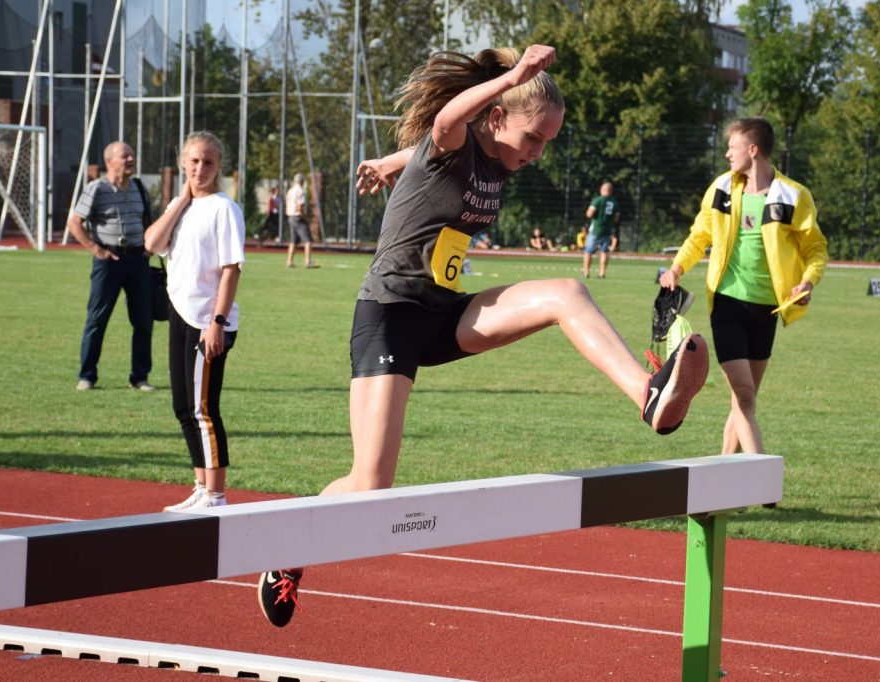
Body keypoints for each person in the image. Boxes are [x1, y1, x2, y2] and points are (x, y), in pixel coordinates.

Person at [255, 44, 709, 628]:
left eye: (547, 142)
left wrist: (394, 162)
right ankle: (287, 549)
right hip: (389, 316)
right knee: (370, 484)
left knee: (567, 292)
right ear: (496, 116)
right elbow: (448, 123)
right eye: (533, 139)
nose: (538, 154)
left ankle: (650, 396)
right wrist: (514, 76)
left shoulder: (495, 157)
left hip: (444, 314)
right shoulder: (458, 137)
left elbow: (444, 148)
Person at [659, 117, 828, 455]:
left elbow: (816, 248)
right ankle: (762, 476)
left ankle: (724, 473)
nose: (727, 154)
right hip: (727, 305)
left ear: (753, 150)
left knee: (743, 402)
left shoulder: (793, 195)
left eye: (732, 147)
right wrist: (677, 267)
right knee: (746, 397)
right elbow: (699, 236)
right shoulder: (721, 188)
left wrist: (808, 282)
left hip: (768, 309)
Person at [144, 131, 246, 511]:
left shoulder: (224, 208)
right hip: (180, 314)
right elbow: (152, 244)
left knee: (204, 409)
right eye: (194, 161)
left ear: (219, 167)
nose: (200, 168)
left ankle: (216, 495)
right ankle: (201, 487)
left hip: (208, 320)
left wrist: (217, 321)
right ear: (183, 163)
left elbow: (231, 269)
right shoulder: (181, 205)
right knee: (183, 407)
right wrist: (181, 201)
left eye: (208, 162)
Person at [66, 141, 156, 391]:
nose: (131, 159)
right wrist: (96, 249)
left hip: (138, 260)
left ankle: (140, 377)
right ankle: (87, 376)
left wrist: (149, 247)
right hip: (109, 261)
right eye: (125, 156)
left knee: (143, 322)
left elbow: (148, 221)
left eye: (132, 155)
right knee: (97, 320)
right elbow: (74, 223)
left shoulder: (139, 188)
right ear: (110, 161)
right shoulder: (96, 188)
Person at [583, 182, 619, 279]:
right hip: (608, 229)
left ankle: (586, 272)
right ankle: (602, 273)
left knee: (588, 251)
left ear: (602, 190)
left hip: (596, 229)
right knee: (604, 251)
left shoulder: (598, 200)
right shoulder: (615, 203)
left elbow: (589, 214)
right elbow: (616, 218)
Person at [285, 173, 318, 268]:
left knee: (293, 241)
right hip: (298, 217)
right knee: (307, 239)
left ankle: (289, 261)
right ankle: (308, 261)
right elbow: (300, 206)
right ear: (302, 181)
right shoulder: (300, 191)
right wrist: (304, 216)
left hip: (290, 216)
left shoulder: (290, 190)